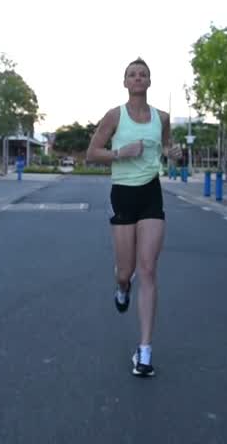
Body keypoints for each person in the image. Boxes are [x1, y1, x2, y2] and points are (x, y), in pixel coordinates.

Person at [86, 57, 182, 377]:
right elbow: (91, 153)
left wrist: (173, 153)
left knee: (148, 269)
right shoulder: (114, 116)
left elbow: (166, 147)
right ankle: (122, 286)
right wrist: (119, 153)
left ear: (149, 82)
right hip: (123, 195)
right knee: (126, 270)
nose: (138, 78)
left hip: (151, 193)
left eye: (143, 74)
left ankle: (144, 350)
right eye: (132, 74)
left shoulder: (162, 117)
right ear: (125, 82)